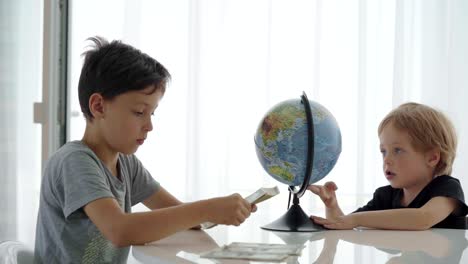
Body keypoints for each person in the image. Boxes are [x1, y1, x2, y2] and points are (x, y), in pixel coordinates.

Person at [34, 36, 256, 263]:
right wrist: (208, 209)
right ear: (99, 106)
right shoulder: (74, 161)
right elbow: (120, 230)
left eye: (152, 113)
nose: (149, 126)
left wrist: (220, 210)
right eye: (139, 112)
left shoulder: (126, 164)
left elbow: (177, 213)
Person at [308, 102, 468, 230]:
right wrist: (332, 205)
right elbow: (343, 224)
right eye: (383, 151)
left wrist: (356, 219)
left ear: (432, 158)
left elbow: (423, 218)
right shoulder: (385, 196)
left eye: (398, 150)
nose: (387, 160)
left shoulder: (447, 189)